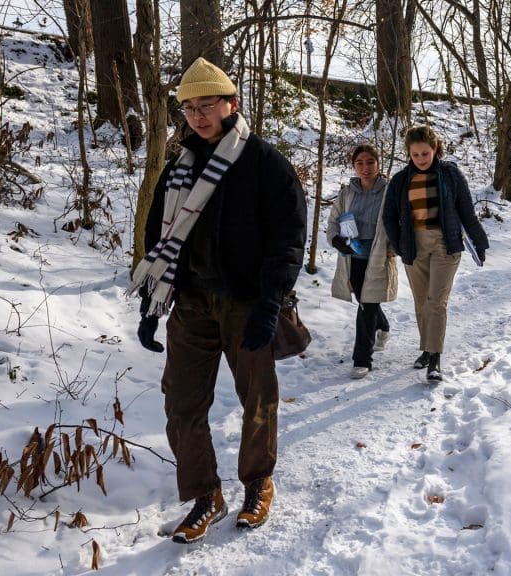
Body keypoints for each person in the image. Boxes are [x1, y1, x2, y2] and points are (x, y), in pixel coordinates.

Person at [130, 57, 307, 543]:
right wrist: (151, 304)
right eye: (188, 108)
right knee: (182, 403)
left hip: (246, 302)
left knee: (257, 399)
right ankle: (205, 495)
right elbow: (156, 235)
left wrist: (271, 302)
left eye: (206, 105)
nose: (197, 116)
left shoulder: (264, 163)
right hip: (188, 303)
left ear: (232, 104)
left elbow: (288, 239)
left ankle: (257, 483)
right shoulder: (178, 166)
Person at [383, 126, 489, 382]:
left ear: (435, 149)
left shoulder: (450, 175)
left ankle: (435, 358)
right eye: (416, 154)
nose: (421, 159)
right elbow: (388, 216)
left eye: (425, 153)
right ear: (408, 153)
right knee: (421, 302)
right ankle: (426, 348)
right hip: (414, 244)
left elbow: (466, 211)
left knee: (436, 302)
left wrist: (480, 240)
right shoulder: (400, 180)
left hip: (445, 244)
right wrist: (398, 245)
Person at [327, 145, 398, 380]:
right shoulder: (347, 192)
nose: (365, 168)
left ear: (378, 164)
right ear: (354, 166)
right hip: (353, 256)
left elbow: (400, 221)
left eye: (370, 162)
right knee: (364, 299)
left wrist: (393, 248)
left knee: (366, 305)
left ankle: (362, 359)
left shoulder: (389, 191)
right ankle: (384, 327)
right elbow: (334, 220)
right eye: (360, 163)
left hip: (378, 255)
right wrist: (336, 240)